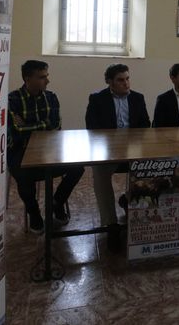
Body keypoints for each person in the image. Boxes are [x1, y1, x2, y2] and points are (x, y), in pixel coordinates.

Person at [8, 60, 84, 233]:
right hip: (21, 150)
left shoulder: (51, 97)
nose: (47, 81)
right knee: (23, 175)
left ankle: (56, 202)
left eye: (46, 76)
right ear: (27, 79)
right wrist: (43, 124)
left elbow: (55, 126)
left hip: (49, 149)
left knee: (78, 167)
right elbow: (17, 131)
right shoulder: (12, 99)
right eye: (42, 77)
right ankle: (33, 212)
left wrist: (28, 125)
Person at [85, 63, 150, 250]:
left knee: (153, 166)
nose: (126, 83)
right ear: (109, 82)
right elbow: (92, 129)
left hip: (133, 151)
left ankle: (133, 204)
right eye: (121, 80)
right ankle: (111, 224)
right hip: (108, 152)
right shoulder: (97, 99)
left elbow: (145, 126)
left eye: (127, 78)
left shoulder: (138, 98)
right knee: (99, 172)